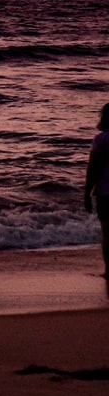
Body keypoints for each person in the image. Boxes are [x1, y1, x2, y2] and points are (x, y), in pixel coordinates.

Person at [88, 102, 109, 291]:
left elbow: (93, 168)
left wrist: (86, 193)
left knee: (108, 233)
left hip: (106, 192)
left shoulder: (101, 140)